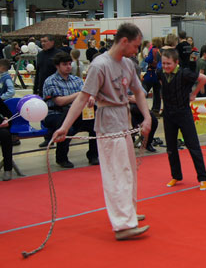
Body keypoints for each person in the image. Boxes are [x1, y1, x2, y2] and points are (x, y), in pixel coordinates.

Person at [52, 23, 152, 241]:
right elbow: (82, 97)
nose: (137, 50)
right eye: (135, 46)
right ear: (124, 41)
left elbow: (138, 92)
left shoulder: (128, 64)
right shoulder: (100, 65)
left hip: (123, 121)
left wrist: (147, 117)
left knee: (128, 171)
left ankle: (128, 212)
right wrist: (65, 127)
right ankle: (123, 225)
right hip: (107, 124)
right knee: (116, 174)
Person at [158, 47, 206, 188]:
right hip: (168, 114)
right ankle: (176, 175)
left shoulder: (184, 73)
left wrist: (194, 94)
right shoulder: (161, 73)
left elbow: (204, 78)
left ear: (176, 62)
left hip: (183, 113)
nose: (165, 66)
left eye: (168, 63)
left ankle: (203, 178)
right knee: (171, 147)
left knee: (193, 145)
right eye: (163, 63)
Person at [42, 52, 99, 168]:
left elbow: (87, 95)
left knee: (96, 124)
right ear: (57, 66)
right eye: (65, 64)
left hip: (76, 113)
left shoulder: (76, 80)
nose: (68, 67)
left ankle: (93, 155)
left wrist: (90, 98)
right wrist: (79, 95)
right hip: (55, 113)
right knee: (66, 127)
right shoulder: (50, 81)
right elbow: (59, 101)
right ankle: (61, 158)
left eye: (69, 64)